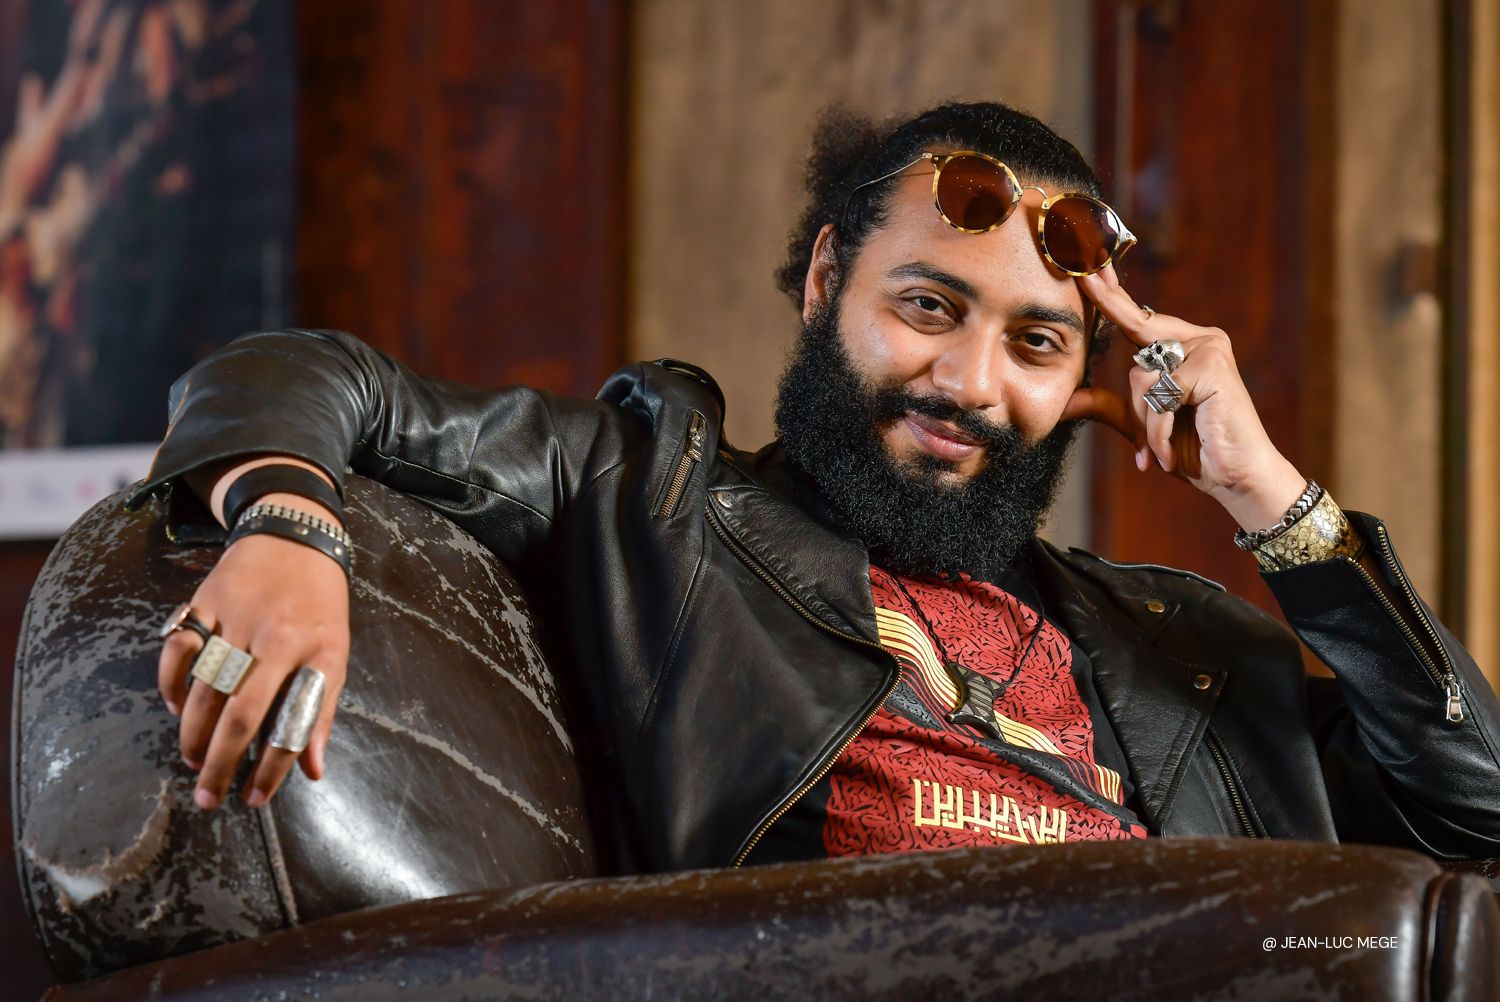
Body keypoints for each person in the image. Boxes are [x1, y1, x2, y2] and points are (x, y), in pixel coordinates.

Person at [136, 101, 1500, 872]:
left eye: (1037, 343)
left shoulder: (1181, 650)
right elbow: (307, 376)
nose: (970, 380)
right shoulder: (656, 494)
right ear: (827, 280)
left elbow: (1477, 813)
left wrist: (1270, 495)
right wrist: (287, 525)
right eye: (928, 305)